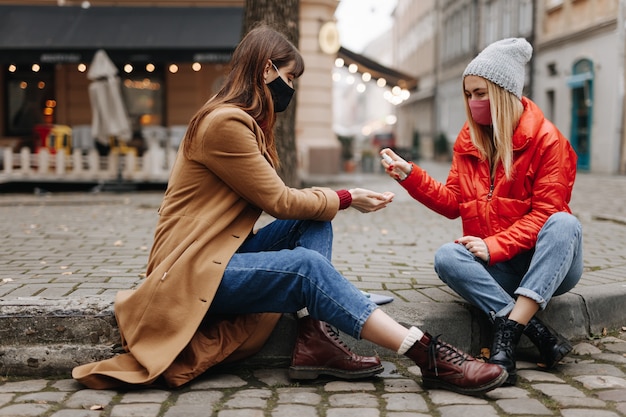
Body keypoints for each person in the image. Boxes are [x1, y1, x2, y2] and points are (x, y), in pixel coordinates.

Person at [72, 25, 507, 396]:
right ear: (266, 70)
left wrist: (335, 200)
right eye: (290, 76)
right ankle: (426, 353)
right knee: (304, 267)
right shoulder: (224, 124)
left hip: (222, 259)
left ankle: (315, 340)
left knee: (311, 221)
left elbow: (289, 205)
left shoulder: (240, 122)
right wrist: (347, 197)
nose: (292, 88)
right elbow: (278, 200)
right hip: (191, 272)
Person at [381, 38, 583, 386]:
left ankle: (505, 335)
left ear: (504, 93)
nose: (473, 103)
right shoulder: (469, 140)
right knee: (447, 256)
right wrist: (411, 177)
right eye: (469, 95)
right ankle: (528, 327)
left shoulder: (550, 142)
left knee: (564, 223)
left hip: (546, 265)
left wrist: (493, 247)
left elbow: (545, 215)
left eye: (480, 93)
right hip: (499, 267)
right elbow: (452, 202)